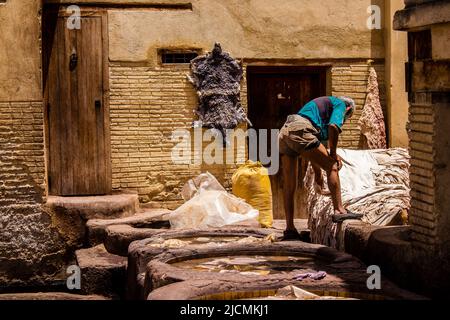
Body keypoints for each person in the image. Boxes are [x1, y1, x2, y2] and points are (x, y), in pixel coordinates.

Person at [278, 96, 363, 241]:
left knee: (289, 185)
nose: (344, 120)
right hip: (300, 129)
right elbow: (333, 127)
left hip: (285, 132)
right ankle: (339, 210)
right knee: (332, 166)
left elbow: (314, 149)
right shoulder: (341, 105)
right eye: (346, 118)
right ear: (348, 110)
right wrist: (334, 154)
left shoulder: (318, 114)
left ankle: (290, 229)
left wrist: (318, 173)